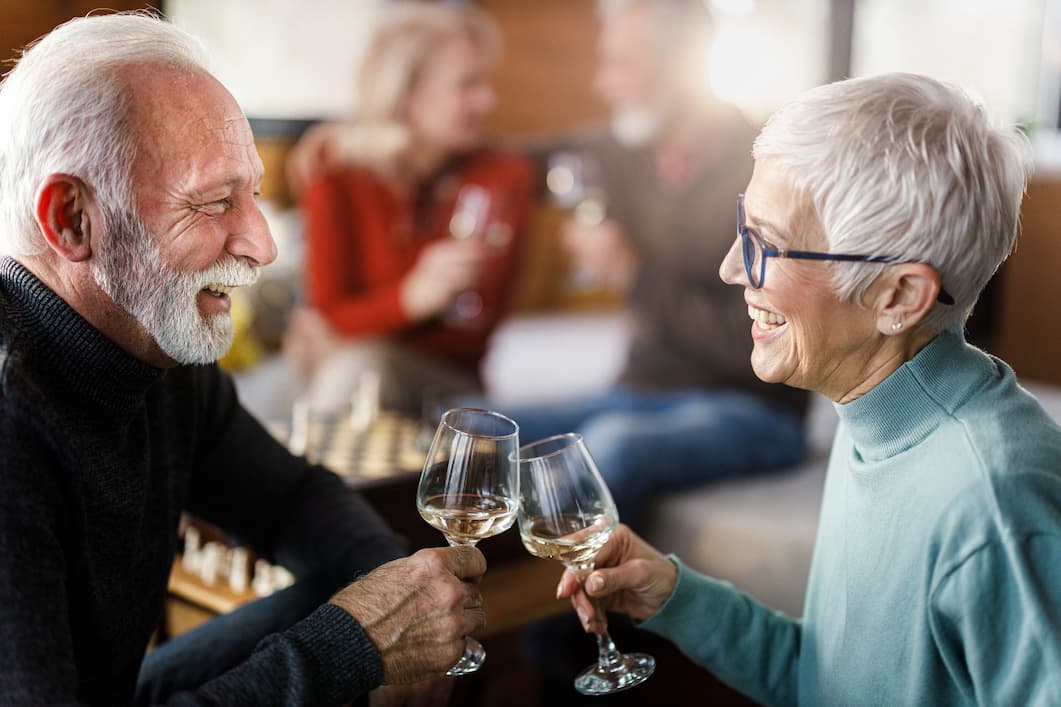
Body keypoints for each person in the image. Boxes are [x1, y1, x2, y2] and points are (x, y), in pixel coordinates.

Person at [0, 13, 488, 706]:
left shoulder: (151, 345)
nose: (263, 245)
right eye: (213, 203)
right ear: (72, 219)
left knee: (378, 589)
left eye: (252, 194)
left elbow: (290, 497)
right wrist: (356, 646)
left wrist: (407, 605)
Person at [557, 73, 1061, 705]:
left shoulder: (993, 505)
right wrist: (677, 596)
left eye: (767, 243)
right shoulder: (877, 415)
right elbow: (832, 683)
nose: (731, 267)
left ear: (897, 296)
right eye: (745, 225)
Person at [487, 0, 809, 529]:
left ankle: (538, 610)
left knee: (611, 449)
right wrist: (371, 139)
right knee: (480, 426)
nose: (604, 83)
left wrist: (633, 276)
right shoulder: (620, 149)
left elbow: (754, 339)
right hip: (640, 392)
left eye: (622, 64)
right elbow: (507, 159)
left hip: (754, 408)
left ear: (681, 64)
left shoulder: (764, 173)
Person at [276, 1, 535, 418]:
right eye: (468, 85)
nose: (488, 101)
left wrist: (363, 326)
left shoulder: (503, 177)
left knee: (357, 370)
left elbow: (470, 336)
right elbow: (327, 310)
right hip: (338, 363)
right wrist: (411, 300)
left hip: (445, 380)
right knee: (260, 403)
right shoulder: (334, 168)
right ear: (407, 94)